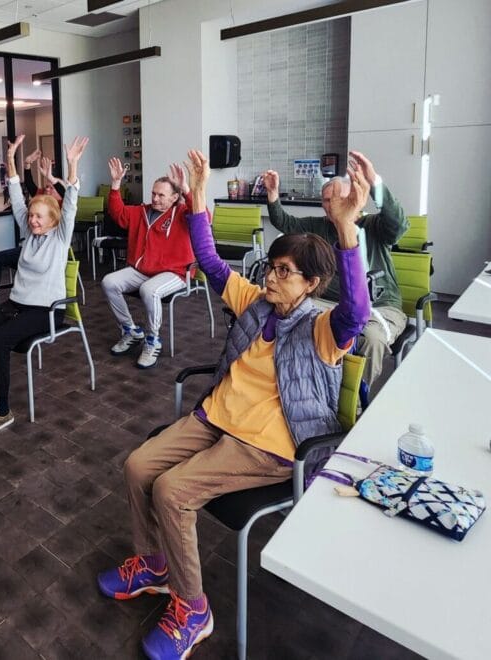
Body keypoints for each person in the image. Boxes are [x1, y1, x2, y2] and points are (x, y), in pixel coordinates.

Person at [97, 149, 371, 660]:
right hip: (215, 419)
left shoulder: (323, 328)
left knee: (173, 492)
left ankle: (193, 609)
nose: (271, 278)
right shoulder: (256, 303)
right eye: (271, 267)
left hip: (269, 444)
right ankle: (155, 563)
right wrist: (199, 194)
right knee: (138, 465)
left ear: (311, 283)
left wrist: (346, 226)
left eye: (285, 272)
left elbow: (357, 312)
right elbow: (209, 261)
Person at [0, 134, 86, 437]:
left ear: (53, 220)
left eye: (39, 217)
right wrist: (11, 160)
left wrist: (72, 166)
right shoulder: (29, 235)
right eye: (31, 216)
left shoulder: (60, 238)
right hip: (18, 304)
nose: (32, 221)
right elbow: (16, 196)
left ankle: (3, 410)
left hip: (47, 310)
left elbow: (70, 204)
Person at [263, 150, 409, 384]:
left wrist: (374, 182)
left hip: (380, 307)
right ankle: (302, 383)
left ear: (352, 197)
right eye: (325, 200)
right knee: (285, 314)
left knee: (372, 339)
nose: (329, 205)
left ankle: (355, 398)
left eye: (336, 198)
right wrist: (272, 195)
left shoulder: (374, 225)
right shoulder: (319, 226)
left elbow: (398, 223)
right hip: (329, 303)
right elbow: (285, 222)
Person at [100, 159, 198, 368]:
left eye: (161, 195)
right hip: (144, 270)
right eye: (153, 193)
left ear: (174, 197)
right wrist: (116, 184)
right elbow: (118, 213)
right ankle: (130, 330)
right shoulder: (141, 211)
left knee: (149, 290)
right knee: (109, 282)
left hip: (176, 272)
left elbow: (203, 216)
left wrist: (187, 189)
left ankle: (152, 340)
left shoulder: (182, 213)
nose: (155, 198)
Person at [0, 154, 63, 317]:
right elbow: (27, 190)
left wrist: (54, 178)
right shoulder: (41, 203)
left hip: (51, 255)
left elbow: (70, 198)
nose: (47, 190)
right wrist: (26, 165)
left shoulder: (62, 211)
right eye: (47, 187)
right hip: (31, 251)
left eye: (51, 188)